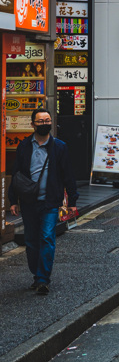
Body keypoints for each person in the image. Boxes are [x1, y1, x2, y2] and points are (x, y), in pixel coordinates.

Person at [9, 108, 78, 295]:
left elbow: (68, 175)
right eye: (40, 121)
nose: (44, 124)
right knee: (31, 241)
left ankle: (42, 279)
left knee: (47, 237)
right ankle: (37, 274)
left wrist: (72, 200)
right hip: (29, 201)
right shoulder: (24, 146)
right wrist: (13, 200)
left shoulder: (60, 147)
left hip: (50, 202)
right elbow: (17, 174)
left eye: (47, 120)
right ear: (32, 124)